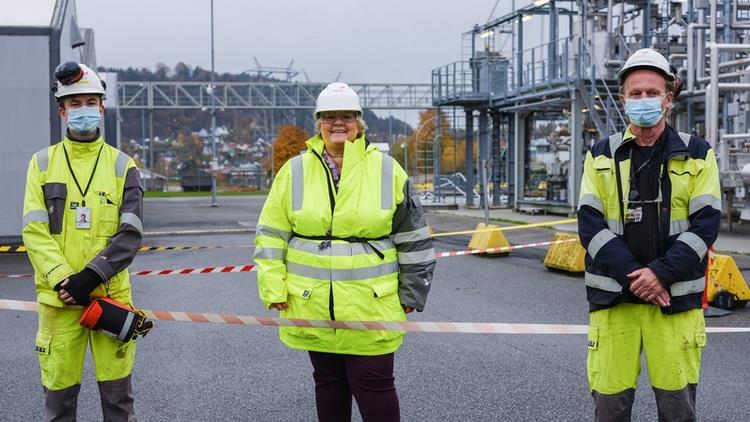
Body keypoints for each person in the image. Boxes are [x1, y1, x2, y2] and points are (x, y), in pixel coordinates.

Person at [255, 82, 435, 422]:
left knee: (374, 384)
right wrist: (272, 285)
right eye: (329, 116)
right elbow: (270, 234)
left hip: (371, 304)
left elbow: (414, 236)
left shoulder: (387, 170)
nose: (338, 123)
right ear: (319, 122)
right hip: (314, 302)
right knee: (328, 383)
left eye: (347, 116)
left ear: (359, 122)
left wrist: (413, 290)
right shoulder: (293, 171)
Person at [577, 48, 721, 421]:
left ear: (668, 98)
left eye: (652, 92)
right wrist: (637, 276)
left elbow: (705, 225)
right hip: (615, 305)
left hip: (673, 307)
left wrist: (659, 274)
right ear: (623, 99)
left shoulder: (698, 154)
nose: (644, 100)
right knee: (610, 409)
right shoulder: (601, 154)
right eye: (636, 93)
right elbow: (589, 225)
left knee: (677, 411)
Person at [22, 62, 145, 421]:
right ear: (62, 111)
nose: (84, 109)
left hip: (110, 301)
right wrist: (64, 279)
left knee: (118, 402)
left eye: (91, 101)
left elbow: (131, 233)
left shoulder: (124, 167)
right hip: (59, 303)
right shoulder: (42, 164)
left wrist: (91, 277)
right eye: (75, 104)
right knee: (59, 404)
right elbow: (34, 229)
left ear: (102, 108)